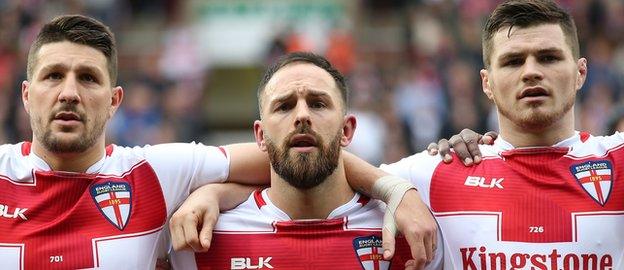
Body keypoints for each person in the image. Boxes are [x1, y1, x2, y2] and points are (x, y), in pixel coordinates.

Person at [175, 0, 624, 269]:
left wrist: (392, 188)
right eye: (512, 61)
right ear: (486, 81)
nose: (531, 72)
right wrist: (212, 193)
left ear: (582, 72)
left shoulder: (617, 164)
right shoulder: (435, 176)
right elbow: (317, 166)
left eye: (548, 57)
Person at [0, 14, 436, 269]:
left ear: (115, 100)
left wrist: (397, 192)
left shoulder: (155, 173)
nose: (69, 93)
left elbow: (297, 154)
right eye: (53, 76)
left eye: (88, 78)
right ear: (25, 93)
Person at [170, 52, 442, 270]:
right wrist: (212, 192)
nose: (302, 115)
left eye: (318, 103)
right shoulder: (201, 240)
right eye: (284, 106)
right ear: (260, 136)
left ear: (347, 130)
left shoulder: (409, 232)